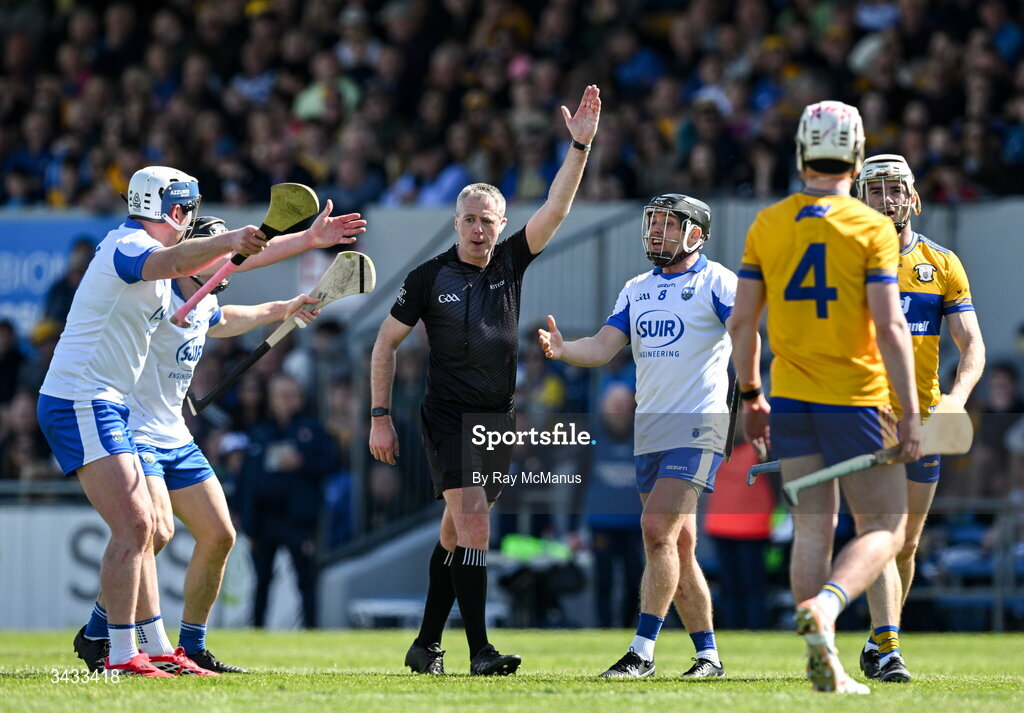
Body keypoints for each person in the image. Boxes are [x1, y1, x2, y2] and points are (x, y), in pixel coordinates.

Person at [71, 206, 366, 674]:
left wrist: (283, 305)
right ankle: (129, 641)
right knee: (155, 533)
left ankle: (175, 642)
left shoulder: (204, 302)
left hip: (175, 434)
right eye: (222, 251)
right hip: (132, 429)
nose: (233, 263)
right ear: (195, 255)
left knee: (220, 535)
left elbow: (226, 317)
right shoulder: (154, 291)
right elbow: (196, 289)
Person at [368, 85, 601, 676]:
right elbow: (384, 344)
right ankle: (481, 652)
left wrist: (578, 147)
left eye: (487, 221)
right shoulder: (426, 277)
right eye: (468, 219)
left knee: (454, 536)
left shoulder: (510, 262)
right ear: (456, 221)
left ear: (500, 225)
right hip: (447, 418)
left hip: (498, 421)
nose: (477, 229)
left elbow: (557, 208)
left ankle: (426, 644)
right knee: (475, 524)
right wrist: (379, 416)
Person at [37, 165, 267, 677]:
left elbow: (233, 263)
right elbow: (176, 258)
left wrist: (308, 239)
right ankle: (122, 653)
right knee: (140, 527)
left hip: (104, 403)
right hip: (81, 399)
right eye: (190, 211)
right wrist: (232, 238)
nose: (192, 222)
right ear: (177, 210)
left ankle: (147, 647)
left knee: (146, 530)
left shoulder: (160, 271)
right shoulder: (129, 247)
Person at [728, 101, 922, 694]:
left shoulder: (768, 223)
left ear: (801, 153)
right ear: (856, 156)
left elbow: (742, 324)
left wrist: (751, 394)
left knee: (813, 527)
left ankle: (826, 661)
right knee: (887, 526)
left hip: (790, 396)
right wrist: (911, 412)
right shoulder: (870, 228)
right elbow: (891, 328)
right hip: (857, 397)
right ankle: (831, 607)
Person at [539, 193, 738, 678]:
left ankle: (642, 652)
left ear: (697, 233)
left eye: (670, 225)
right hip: (649, 429)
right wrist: (566, 349)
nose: (656, 232)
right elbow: (604, 347)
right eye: (653, 223)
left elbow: (748, 334)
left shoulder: (719, 281)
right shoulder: (636, 288)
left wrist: (753, 393)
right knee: (679, 545)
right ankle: (708, 656)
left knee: (655, 530)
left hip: (699, 423)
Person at [854, 154, 985, 682]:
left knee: (907, 542)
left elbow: (971, 343)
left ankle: (878, 638)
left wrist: (957, 398)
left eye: (895, 190)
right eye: (876, 191)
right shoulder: (846, 264)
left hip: (926, 417)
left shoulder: (942, 263)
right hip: (868, 414)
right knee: (884, 532)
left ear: (914, 198)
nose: (886, 200)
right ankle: (888, 651)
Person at [240, 373, 337, 629]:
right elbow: (247, 481)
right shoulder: (260, 432)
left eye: (292, 395)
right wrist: (249, 525)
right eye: (281, 395)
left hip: (298, 519)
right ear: (271, 400)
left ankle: (311, 630)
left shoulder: (313, 429)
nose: (287, 401)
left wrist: (302, 463)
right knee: (261, 580)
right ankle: (257, 630)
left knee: (306, 579)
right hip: (265, 519)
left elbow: (332, 463)